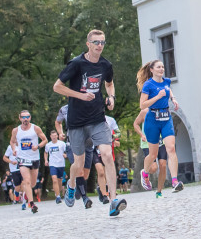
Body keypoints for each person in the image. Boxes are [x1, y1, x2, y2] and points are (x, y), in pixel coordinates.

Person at [53, 29, 125, 216]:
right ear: (88, 44)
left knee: (107, 155)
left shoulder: (105, 65)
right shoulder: (76, 64)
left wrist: (111, 97)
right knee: (79, 163)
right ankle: (71, 185)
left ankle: (113, 200)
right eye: (96, 42)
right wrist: (80, 96)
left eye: (102, 42)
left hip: (97, 119)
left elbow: (109, 84)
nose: (99, 45)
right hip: (76, 121)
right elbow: (57, 87)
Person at [136, 59, 184, 193]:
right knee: (152, 154)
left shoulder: (167, 81)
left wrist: (173, 99)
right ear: (151, 70)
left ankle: (175, 181)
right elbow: (142, 105)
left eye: (163, 67)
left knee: (171, 148)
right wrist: (157, 97)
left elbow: (169, 91)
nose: (161, 69)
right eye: (158, 67)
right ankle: (145, 174)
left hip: (166, 117)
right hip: (152, 120)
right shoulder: (148, 85)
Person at [10, 110, 47, 214]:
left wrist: (38, 146)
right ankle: (32, 204)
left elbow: (45, 140)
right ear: (20, 118)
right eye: (23, 117)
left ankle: (26, 195)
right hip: (22, 159)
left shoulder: (35, 128)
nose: (25, 119)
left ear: (30, 118)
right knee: (26, 181)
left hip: (34, 158)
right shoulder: (16, 130)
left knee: (33, 183)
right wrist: (14, 149)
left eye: (27, 117)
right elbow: (12, 141)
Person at [44, 130, 68, 203]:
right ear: (50, 137)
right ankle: (57, 197)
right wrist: (46, 160)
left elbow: (67, 151)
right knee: (54, 179)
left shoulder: (62, 144)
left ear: (57, 136)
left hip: (60, 164)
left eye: (55, 136)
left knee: (59, 180)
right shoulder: (48, 145)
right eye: (52, 136)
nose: (54, 137)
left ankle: (58, 193)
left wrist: (65, 155)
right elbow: (45, 153)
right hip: (52, 164)